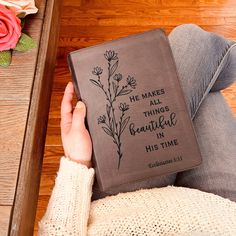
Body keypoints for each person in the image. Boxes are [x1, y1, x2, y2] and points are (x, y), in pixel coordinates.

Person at [38, 24, 236, 235]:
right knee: (194, 44)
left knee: (193, 46)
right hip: (222, 214)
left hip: (121, 209)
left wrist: (77, 161)